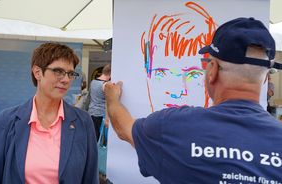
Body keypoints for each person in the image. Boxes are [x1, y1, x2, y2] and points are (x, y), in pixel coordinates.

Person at [105, 17, 282, 183]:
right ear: (266, 78)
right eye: (161, 73)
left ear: (212, 70)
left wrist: (113, 100)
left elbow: (124, 129)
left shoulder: (172, 125)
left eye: (193, 74)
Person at [0, 42, 98, 184]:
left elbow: (90, 177)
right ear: (37, 72)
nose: (65, 80)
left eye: (70, 73)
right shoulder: (8, 120)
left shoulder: (82, 121)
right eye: (58, 71)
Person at [88, 64, 111, 141]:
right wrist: (107, 119)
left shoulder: (93, 82)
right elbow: (108, 102)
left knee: (93, 138)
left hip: (91, 112)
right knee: (99, 139)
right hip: (101, 115)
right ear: (110, 73)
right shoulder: (106, 85)